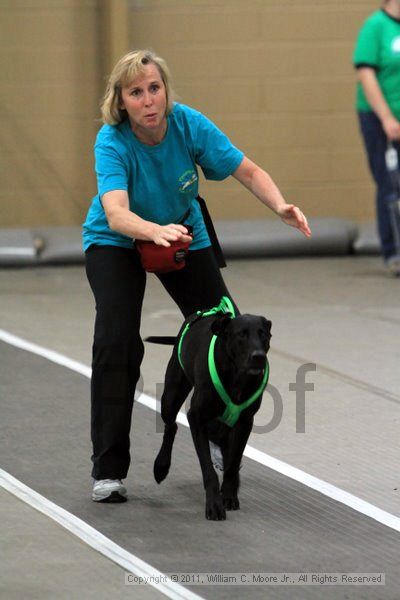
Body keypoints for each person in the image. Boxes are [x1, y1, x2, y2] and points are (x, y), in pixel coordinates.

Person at [82, 49, 311, 503]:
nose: (148, 100)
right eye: (136, 93)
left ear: (165, 91)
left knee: (232, 330)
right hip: (119, 241)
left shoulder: (188, 124)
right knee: (116, 340)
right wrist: (154, 231)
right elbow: (116, 213)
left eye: (154, 88)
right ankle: (109, 470)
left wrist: (280, 205)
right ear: (121, 101)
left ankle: (221, 437)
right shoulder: (112, 141)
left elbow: (248, 170)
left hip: (183, 234)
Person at [353, 0, 400, 275]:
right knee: (391, 184)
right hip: (379, 119)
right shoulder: (376, 26)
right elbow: (366, 74)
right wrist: (386, 118)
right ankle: (393, 252)